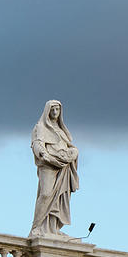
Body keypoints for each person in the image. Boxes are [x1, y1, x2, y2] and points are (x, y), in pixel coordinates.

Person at [29, 100, 79, 238]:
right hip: (48, 165)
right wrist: (43, 154)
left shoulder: (61, 130)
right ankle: (36, 227)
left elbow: (69, 146)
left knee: (58, 198)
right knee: (45, 194)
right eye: (53, 110)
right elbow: (37, 144)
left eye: (57, 110)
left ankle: (53, 228)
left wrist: (74, 152)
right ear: (47, 111)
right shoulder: (40, 127)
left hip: (62, 166)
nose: (55, 112)